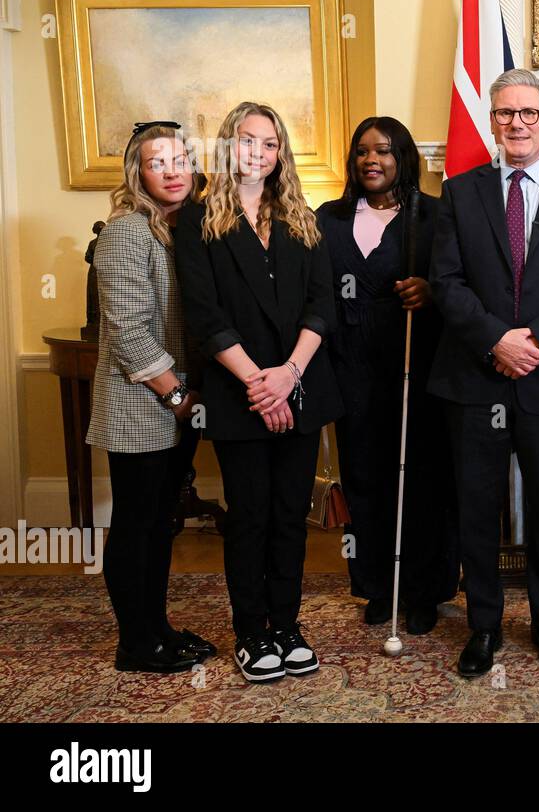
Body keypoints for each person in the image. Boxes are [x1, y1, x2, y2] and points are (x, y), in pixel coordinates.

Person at [430, 68, 539, 678]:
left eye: (529, 113)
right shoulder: (459, 191)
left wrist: (532, 341)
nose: (518, 123)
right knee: (476, 508)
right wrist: (495, 341)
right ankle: (483, 626)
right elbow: (445, 285)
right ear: (493, 121)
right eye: (506, 113)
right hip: (474, 378)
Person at [174, 101, 345, 683]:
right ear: (228, 146)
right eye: (247, 141)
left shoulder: (304, 219)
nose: (258, 152)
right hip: (238, 393)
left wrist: (289, 375)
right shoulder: (198, 222)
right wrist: (258, 381)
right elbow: (204, 314)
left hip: (300, 385)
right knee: (249, 516)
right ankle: (252, 631)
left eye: (269, 143)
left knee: (290, 516)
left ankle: (287, 625)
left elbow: (324, 305)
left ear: (281, 154)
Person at [316, 117, 457, 635]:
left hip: (415, 361)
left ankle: (424, 590)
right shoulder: (326, 218)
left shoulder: (434, 216)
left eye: (384, 150)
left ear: (404, 158)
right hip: (348, 362)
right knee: (364, 475)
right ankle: (377, 585)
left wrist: (432, 291)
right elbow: (312, 290)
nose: (371, 160)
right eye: (361, 151)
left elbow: (463, 284)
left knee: (421, 477)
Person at [86, 121, 216, 673]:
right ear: (136, 173)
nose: (172, 170)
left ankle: (157, 626)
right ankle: (135, 644)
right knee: (137, 523)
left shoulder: (184, 229)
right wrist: (182, 398)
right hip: (142, 407)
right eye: (157, 162)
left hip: (176, 406)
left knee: (163, 520)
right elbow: (127, 331)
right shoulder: (125, 231)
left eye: (180, 159)